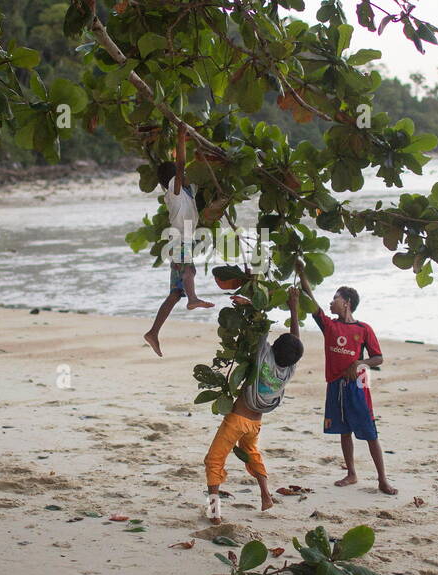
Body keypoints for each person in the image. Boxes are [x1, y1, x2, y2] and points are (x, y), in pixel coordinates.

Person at [203, 288, 303, 519]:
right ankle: (266, 495)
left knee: (214, 461)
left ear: (273, 347)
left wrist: (250, 303)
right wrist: (294, 309)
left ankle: (214, 512)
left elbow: (260, 328)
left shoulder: (262, 356)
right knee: (252, 452)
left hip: (237, 420)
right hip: (256, 423)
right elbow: (294, 341)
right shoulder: (287, 371)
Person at [298, 276, 397, 495]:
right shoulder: (329, 326)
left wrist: (359, 362)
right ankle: (351, 473)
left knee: (370, 431)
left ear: (347, 302)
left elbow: (378, 358)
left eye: (335, 298)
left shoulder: (363, 329)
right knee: (344, 430)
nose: (331, 302)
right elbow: (311, 301)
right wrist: (303, 274)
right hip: (335, 384)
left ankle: (382, 479)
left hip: (358, 386)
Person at [143, 156, 213, 357]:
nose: (185, 176)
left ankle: (153, 332)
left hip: (180, 240)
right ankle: (193, 299)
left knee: (175, 294)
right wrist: (182, 135)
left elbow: (192, 174)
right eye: (182, 175)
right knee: (188, 270)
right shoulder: (174, 192)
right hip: (181, 240)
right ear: (175, 178)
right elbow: (181, 165)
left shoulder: (187, 193)